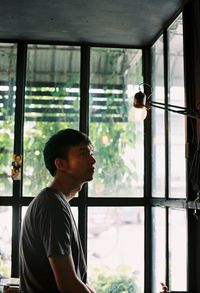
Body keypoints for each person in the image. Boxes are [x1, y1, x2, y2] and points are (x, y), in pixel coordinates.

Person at [19, 128, 96, 293]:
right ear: (60, 164)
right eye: (83, 154)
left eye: (91, 153)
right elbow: (68, 285)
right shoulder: (52, 206)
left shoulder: (56, 201)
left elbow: (76, 281)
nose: (93, 160)